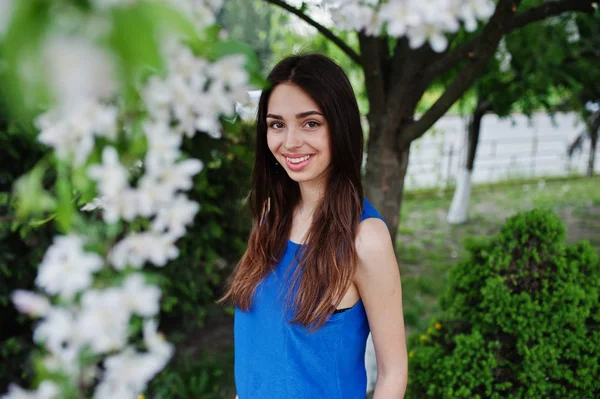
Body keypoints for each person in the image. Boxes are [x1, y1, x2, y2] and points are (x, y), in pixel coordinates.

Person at [219, 53, 407, 398]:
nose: (289, 142)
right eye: (277, 124)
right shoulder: (270, 215)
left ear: (341, 126)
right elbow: (260, 350)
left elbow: (393, 374)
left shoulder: (364, 239)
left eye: (310, 123)